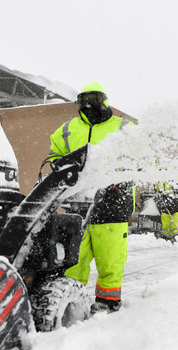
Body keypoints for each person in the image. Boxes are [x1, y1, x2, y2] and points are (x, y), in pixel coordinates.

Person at [48, 82, 134, 313]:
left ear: (104, 100)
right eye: (84, 99)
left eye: (94, 98)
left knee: (111, 259)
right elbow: (55, 155)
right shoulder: (67, 129)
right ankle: (71, 303)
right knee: (74, 260)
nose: (89, 104)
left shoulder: (122, 127)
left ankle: (107, 303)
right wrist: (64, 168)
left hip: (113, 204)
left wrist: (117, 177)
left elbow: (137, 158)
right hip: (77, 205)